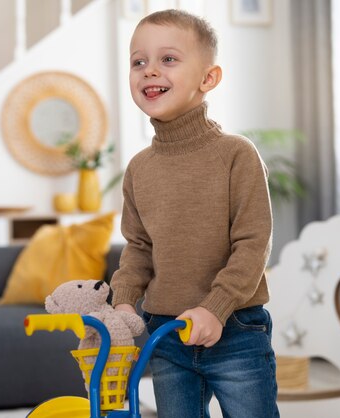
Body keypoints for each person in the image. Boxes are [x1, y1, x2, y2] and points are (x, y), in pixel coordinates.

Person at [110, 9, 279, 418]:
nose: (149, 70)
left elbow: (253, 243)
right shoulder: (139, 168)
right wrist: (125, 301)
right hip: (165, 334)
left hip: (236, 328)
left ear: (208, 79)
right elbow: (138, 247)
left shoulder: (236, 154)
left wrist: (215, 307)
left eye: (168, 59)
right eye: (138, 61)